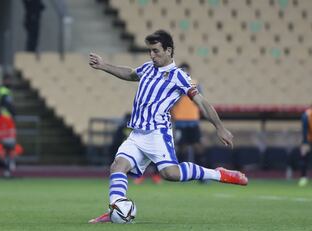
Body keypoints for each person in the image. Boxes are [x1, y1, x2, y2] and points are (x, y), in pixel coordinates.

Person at [88, 30, 248, 223]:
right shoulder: (148, 68)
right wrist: (104, 65)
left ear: (169, 50)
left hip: (158, 133)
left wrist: (220, 127)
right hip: (138, 133)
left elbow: (202, 103)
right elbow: (130, 74)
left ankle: (218, 174)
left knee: (170, 174)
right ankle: (116, 209)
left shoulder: (179, 76)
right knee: (117, 167)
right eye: (150, 51)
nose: (152, 55)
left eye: (156, 51)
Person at [171, 62, 205, 169]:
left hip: (193, 120)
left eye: (186, 70)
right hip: (179, 120)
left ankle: (202, 173)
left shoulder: (195, 84)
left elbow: (201, 100)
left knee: (198, 146)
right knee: (182, 147)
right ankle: (182, 173)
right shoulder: (174, 84)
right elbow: (172, 102)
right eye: (183, 70)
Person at [299, 105, 312, 187]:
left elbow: (304, 129)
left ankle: (303, 178)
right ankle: (303, 178)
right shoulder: (307, 114)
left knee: (304, 159)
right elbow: (305, 128)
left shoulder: (306, 114)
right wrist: (305, 141)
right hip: (308, 140)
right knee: (304, 158)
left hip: (307, 140)